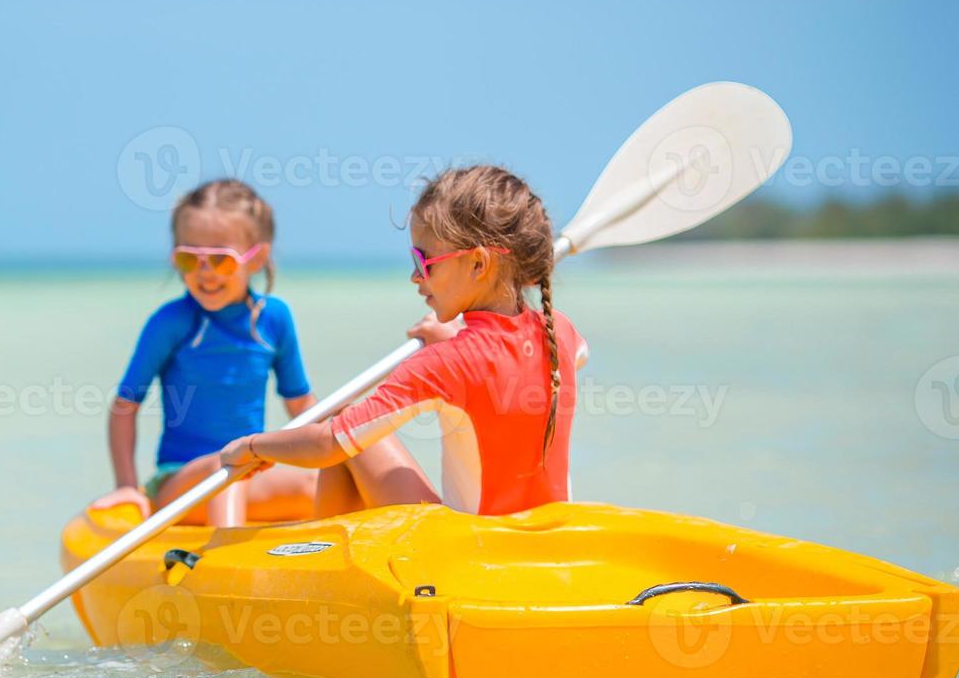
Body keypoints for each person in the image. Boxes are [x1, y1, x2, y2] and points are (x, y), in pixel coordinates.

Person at [219, 165, 587, 517]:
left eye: (424, 260)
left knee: (346, 421)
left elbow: (330, 444)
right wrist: (457, 339)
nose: (415, 276)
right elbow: (520, 363)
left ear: (477, 264)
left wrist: (253, 446)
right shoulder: (562, 333)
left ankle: (319, 563)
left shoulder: (447, 363)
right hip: (545, 545)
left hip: (470, 553)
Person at [91, 179, 317, 527]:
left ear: (256, 258)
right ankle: (230, 560)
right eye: (188, 258)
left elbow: (301, 406)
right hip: (179, 485)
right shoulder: (172, 323)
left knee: (314, 482)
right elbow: (125, 406)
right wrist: (126, 485)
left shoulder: (274, 319)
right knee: (226, 464)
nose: (204, 272)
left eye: (220, 260)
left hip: (248, 474)